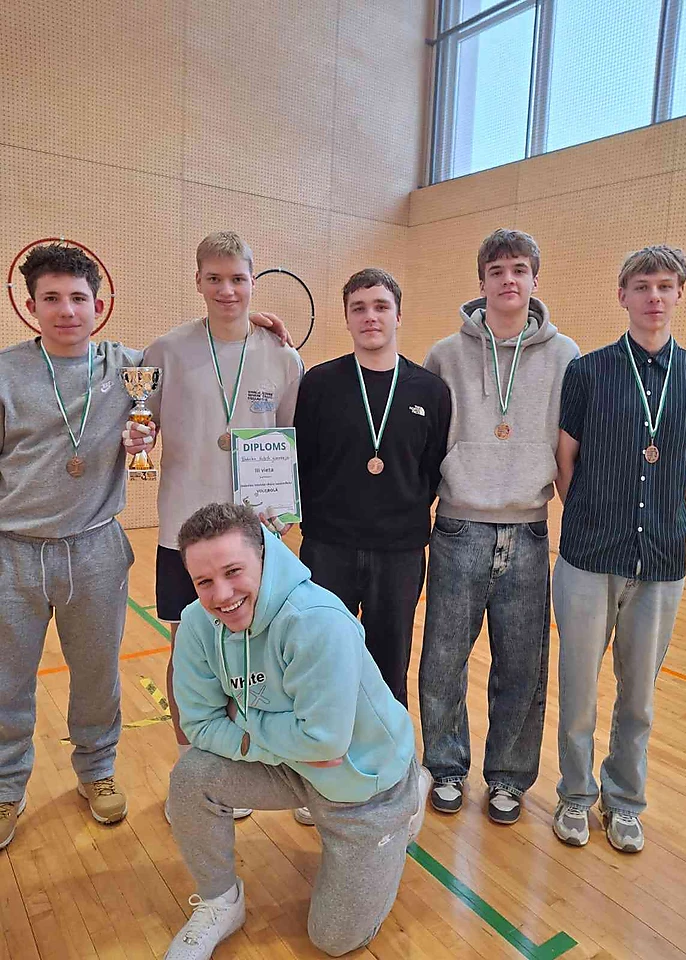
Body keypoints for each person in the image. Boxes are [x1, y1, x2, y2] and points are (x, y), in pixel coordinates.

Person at [164, 502, 431, 960]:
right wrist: (284, 740)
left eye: (233, 571)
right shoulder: (196, 622)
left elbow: (326, 743)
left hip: (361, 784)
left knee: (334, 939)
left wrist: (240, 722)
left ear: (264, 557)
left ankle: (408, 794)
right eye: (204, 581)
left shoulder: (315, 620)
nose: (221, 595)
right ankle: (220, 903)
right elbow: (198, 724)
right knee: (190, 779)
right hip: (295, 766)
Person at [125, 232, 303, 820]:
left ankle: (247, 768)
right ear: (198, 281)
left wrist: (283, 517)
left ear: (254, 281)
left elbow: (290, 444)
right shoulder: (165, 351)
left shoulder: (282, 356)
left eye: (238, 279)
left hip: (255, 539)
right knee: (190, 653)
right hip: (183, 534)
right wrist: (139, 439)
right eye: (215, 279)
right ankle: (193, 772)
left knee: (258, 654)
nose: (227, 290)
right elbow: (141, 421)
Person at [552, 245, 686, 853]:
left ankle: (624, 802)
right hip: (588, 557)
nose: (654, 296)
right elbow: (565, 460)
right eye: (643, 285)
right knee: (578, 692)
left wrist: (662, 515)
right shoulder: (588, 371)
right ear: (622, 295)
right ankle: (575, 795)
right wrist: (597, 518)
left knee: (639, 698)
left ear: (680, 295)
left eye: (665, 286)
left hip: (662, 562)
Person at [419, 228, 579, 822]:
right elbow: (428, 441)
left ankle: (509, 777)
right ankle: (445, 767)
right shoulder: (444, 354)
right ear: (481, 280)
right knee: (443, 661)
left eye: (519, 270)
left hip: (530, 531)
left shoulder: (565, 355)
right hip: (458, 527)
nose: (508, 280)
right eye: (497, 270)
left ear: (535, 278)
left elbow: (571, 443)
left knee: (522, 665)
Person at [0, 243, 149, 847]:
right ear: (30, 306)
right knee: (7, 680)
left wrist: (257, 325)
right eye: (52, 299)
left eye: (78, 298)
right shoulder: (6, 373)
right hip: (13, 551)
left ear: (99, 305)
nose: (66, 310)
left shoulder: (129, 366)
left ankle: (97, 769)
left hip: (95, 548)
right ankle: (6, 787)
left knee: (96, 674)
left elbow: (204, 353)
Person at [294, 267, 451, 709]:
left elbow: (433, 467)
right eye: (358, 308)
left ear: (398, 316)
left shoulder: (431, 390)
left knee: (390, 666)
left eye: (381, 306)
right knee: (325, 659)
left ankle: (389, 747)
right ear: (346, 318)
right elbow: (303, 459)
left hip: (399, 553)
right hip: (328, 548)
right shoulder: (319, 384)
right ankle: (325, 744)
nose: (370, 316)